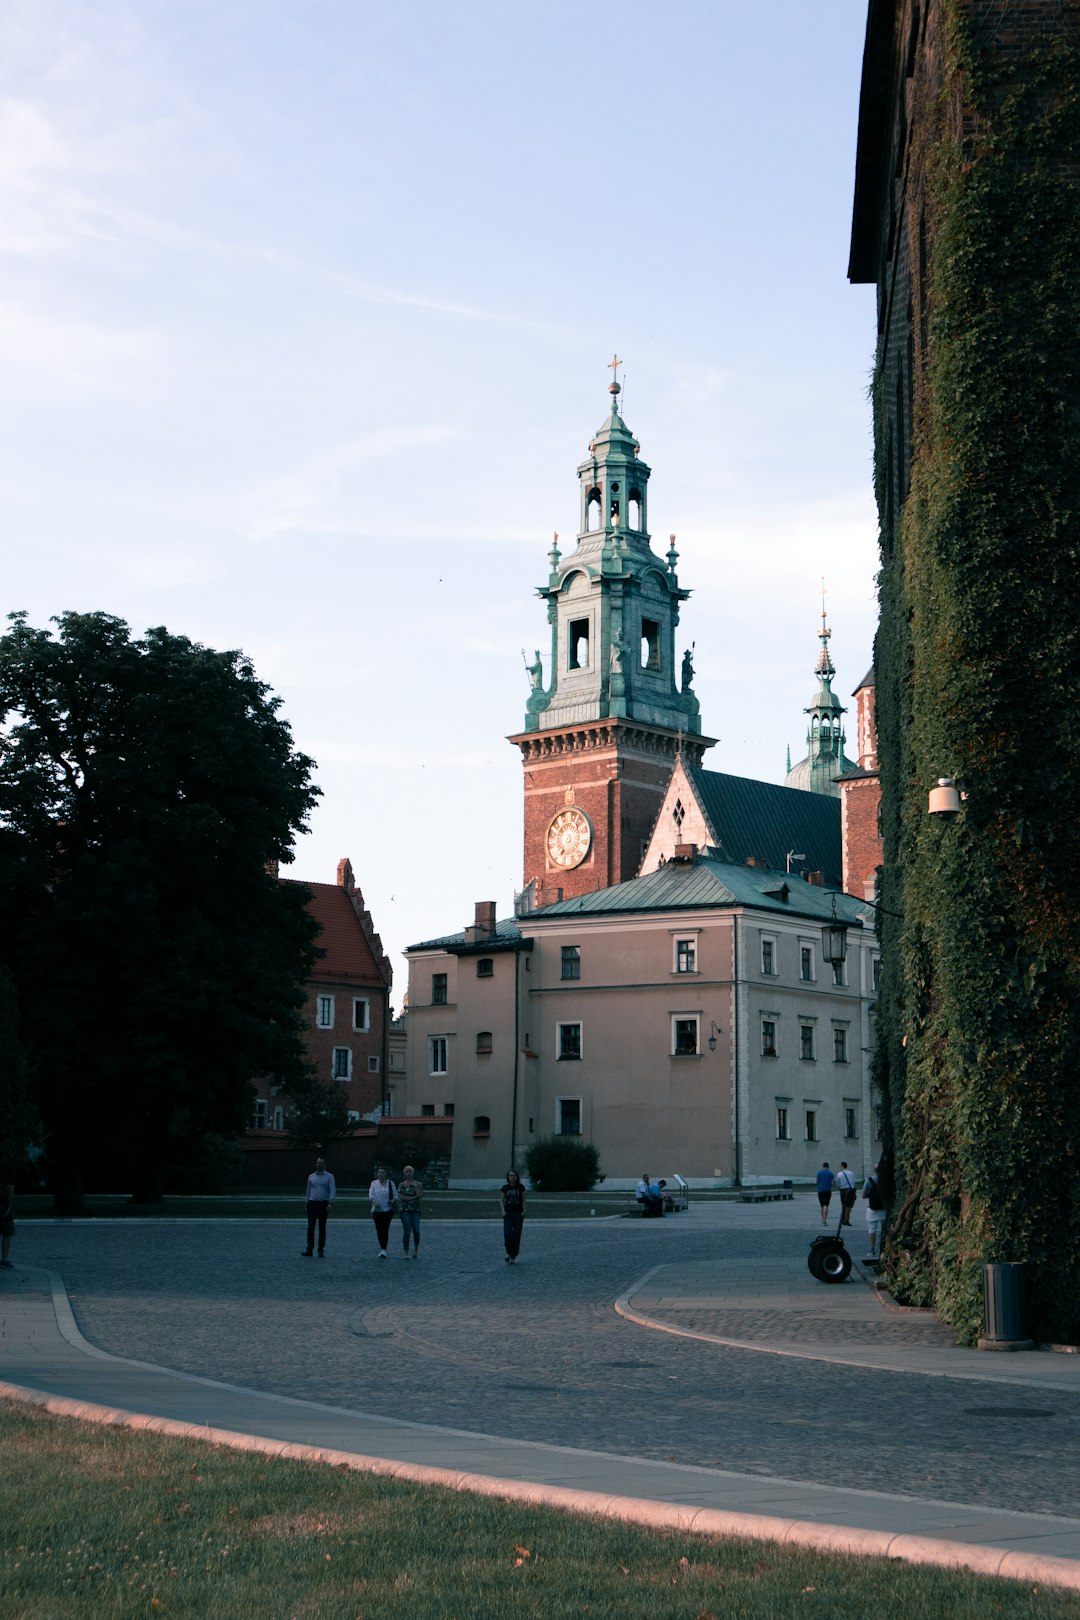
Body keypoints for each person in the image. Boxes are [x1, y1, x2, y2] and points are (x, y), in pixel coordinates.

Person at [301, 1157, 335, 1257]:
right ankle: (309, 1249)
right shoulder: (311, 1176)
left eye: (320, 1163)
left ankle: (320, 1249)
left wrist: (330, 1203)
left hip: (323, 1204)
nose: (318, 1165)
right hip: (312, 1204)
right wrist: (306, 1203)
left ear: (325, 1165)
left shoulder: (329, 1177)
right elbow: (308, 1190)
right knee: (310, 1227)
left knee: (322, 1228)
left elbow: (332, 1190)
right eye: (317, 1163)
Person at [368, 1166, 397, 1258]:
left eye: (383, 1172)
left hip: (387, 1210)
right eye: (379, 1172)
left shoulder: (390, 1183)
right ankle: (382, 1249)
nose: (381, 1174)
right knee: (379, 1230)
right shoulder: (374, 1183)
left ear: (386, 1174)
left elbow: (395, 1196)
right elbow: (371, 1195)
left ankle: (384, 1248)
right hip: (377, 1210)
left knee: (385, 1229)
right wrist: (373, 1201)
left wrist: (392, 1201)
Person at [397, 1164, 423, 1259]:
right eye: (406, 1171)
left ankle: (416, 1248)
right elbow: (400, 1197)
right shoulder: (402, 1184)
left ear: (413, 1173)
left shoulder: (418, 1183)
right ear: (404, 1173)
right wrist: (413, 1197)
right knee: (407, 1230)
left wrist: (415, 1187)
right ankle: (406, 1252)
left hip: (415, 1211)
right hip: (404, 1210)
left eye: (410, 1171)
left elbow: (420, 1196)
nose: (408, 1173)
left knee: (416, 1231)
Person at [500, 1169, 526, 1262]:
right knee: (507, 1233)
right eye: (510, 1175)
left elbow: (523, 1200)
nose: (512, 1177)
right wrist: (503, 1212)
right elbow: (501, 1200)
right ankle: (508, 1252)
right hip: (508, 1214)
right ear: (508, 1177)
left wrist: (524, 1212)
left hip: (518, 1214)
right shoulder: (505, 1188)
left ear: (517, 1177)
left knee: (516, 1235)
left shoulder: (520, 1187)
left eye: (514, 1175)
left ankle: (513, 1256)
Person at [863, 1162, 885, 1258]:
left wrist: (871, 1195)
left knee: (872, 1229)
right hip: (884, 1209)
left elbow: (863, 1195)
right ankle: (885, 1249)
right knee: (885, 1229)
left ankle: (872, 1250)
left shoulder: (869, 1180)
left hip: (872, 1209)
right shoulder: (886, 1180)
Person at [835, 1162, 858, 1226]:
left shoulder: (840, 1173)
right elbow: (853, 1182)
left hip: (844, 1190)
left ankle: (845, 1219)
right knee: (849, 1205)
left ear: (842, 1166)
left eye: (840, 1166)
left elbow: (838, 1184)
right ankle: (845, 1219)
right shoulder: (851, 1173)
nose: (839, 1167)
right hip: (851, 1190)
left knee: (844, 1205)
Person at [0, 1184, 14, 1268]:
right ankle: (4, 1260)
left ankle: (4, 1260)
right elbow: (11, 1189)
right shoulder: (7, 1177)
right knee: (7, 1236)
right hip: (5, 1212)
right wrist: (9, 1208)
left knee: (7, 1236)